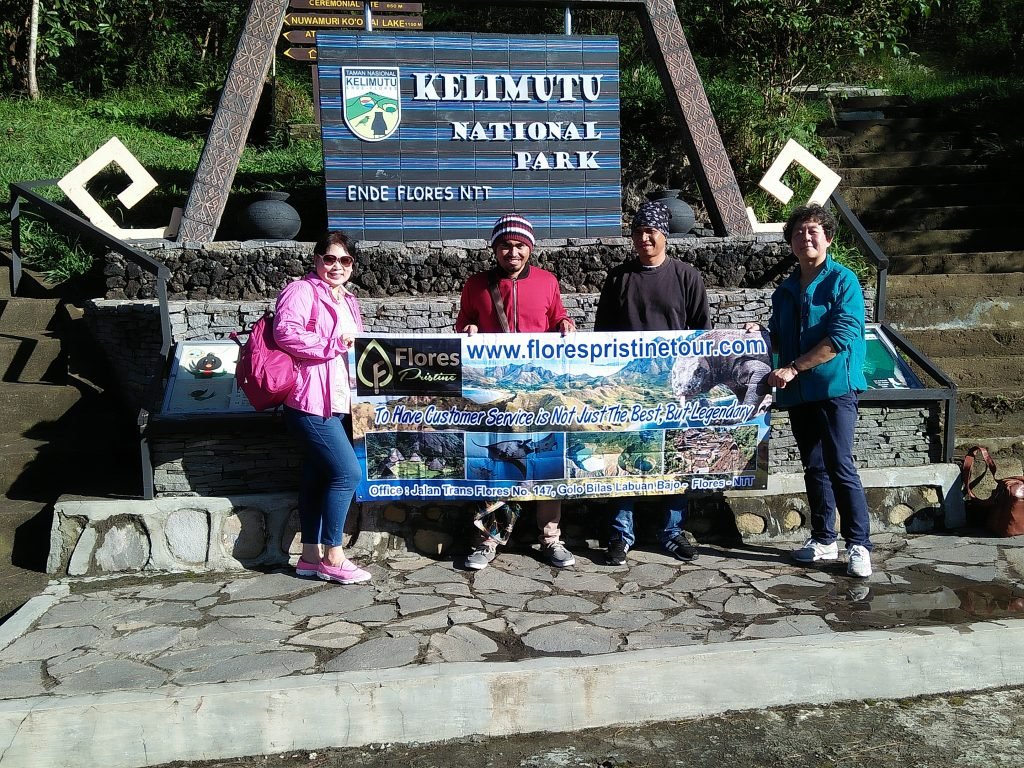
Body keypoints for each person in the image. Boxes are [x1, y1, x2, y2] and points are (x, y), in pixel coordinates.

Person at [754, 203, 873, 578]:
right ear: (789, 242)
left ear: (828, 238)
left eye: (813, 231)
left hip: (835, 387)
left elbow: (840, 338)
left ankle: (859, 545)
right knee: (814, 467)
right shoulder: (785, 290)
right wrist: (749, 339)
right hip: (799, 393)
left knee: (840, 464)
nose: (805, 237)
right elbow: (776, 336)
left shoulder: (843, 280)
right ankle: (823, 540)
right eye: (798, 232)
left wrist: (794, 367)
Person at [456, 213, 577, 570]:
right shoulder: (476, 284)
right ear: (495, 249)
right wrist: (471, 328)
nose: (513, 251)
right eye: (506, 245)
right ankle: (487, 540)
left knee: (547, 463)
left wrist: (565, 323)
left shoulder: (547, 281)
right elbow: (462, 323)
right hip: (497, 395)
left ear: (530, 248)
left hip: (538, 392)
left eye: (520, 245)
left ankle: (551, 539)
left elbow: (557, 316)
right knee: (495, 463)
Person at [594, 200, 711, 566]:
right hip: (630, 386)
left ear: (664, 236)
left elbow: (702, 332)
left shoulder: (686, 277)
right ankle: (620, 533)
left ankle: (672, 532)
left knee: (675, 457)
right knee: (623, 454)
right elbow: (601, 337)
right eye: (638, 233)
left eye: (651, 232)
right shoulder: (618, 279)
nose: (644, 239)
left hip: (675, 386)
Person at [274, 231, 371, 585]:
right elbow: (286, 333)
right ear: (317, 259)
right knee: (347, 474)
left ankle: (310, 556)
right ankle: (334, 555)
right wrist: (333, 344)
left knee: (318, 476)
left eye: (344, 260)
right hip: (309, 402)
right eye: (329, 258)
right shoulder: (301, 291)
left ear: (352, 266)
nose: (336, 266)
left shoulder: (348, 300)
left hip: (338, 400)